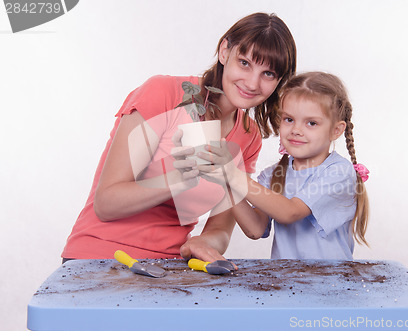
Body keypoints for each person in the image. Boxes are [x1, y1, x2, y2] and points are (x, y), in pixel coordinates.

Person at [61, 12, 297, 262]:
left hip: (169, 267)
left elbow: (220, 229)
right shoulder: (163, 94)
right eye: (245, 63)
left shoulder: (248, 137)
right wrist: (179, 179)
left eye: (268, 73)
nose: (252, 82)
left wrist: (202, 243)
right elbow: (107, 204)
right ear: (225, 51)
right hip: (98, 258)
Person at [198, 72, 369, 259]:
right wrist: (226, 180)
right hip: (287, 284)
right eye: (289, 119)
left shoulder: (338, 172)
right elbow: (255, 229)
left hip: (329, 284)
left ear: (336, 130)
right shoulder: (272, 175)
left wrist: (234, 175)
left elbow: (290, 212)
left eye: (311, 123)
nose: (296, 130)